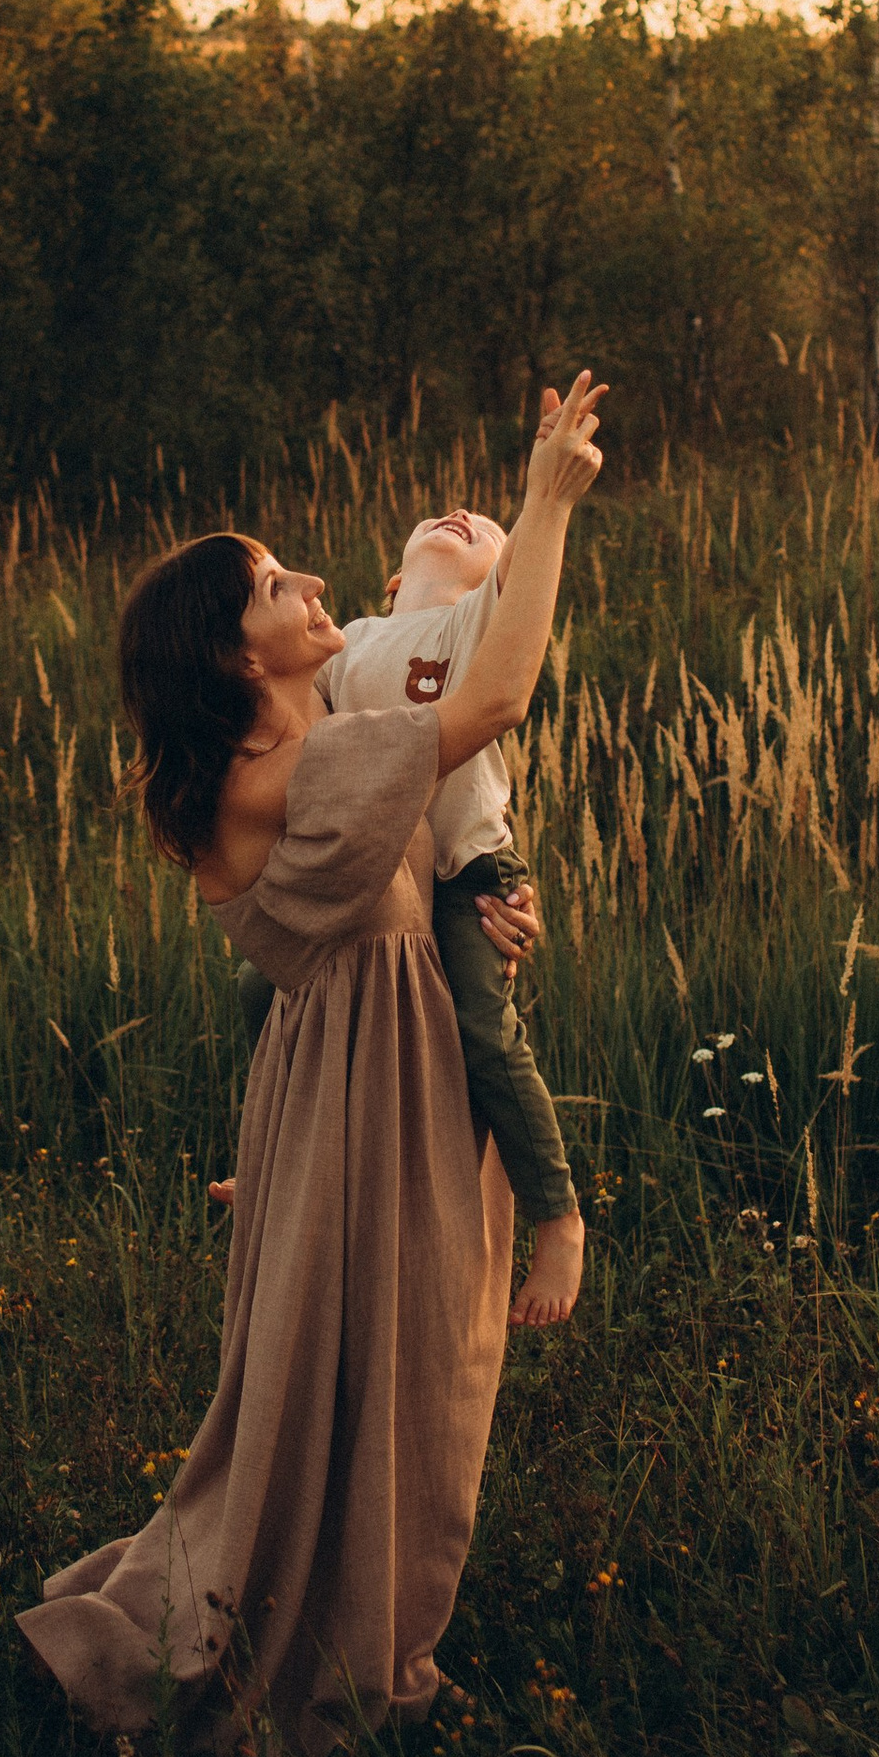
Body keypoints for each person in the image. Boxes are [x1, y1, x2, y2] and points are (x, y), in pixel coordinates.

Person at [16, 371, 608, 1757]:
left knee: (417, 1372)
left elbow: (408, 864)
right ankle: (344, 1672)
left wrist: (491, 909)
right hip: (359, 1097)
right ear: (234, 657)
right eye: (276, 583)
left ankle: (375, 1645)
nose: (309, 581)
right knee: (387, 1375)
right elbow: (500, 693)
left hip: (386, 1082)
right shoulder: (257, 782)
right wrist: (543, 505)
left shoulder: (322, 745)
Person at [222, 497, 586, 1325]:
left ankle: (558, 1217)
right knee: (256, 988)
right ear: (391, 581)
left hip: (469, 871)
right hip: (380, 872)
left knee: (485, 1032)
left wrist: (543, 494)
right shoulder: (349, 643)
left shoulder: (474, 625)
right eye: (441, 516)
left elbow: (524, 578)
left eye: (485, 531)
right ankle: (266, 1155)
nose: (461, 513)